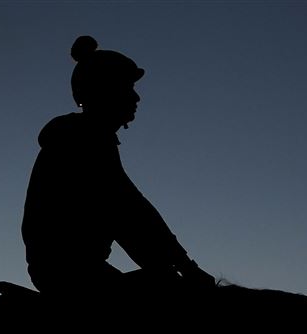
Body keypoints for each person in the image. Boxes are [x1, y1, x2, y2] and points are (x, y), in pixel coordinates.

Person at [21, 34, 214, 297]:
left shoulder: (83, 136)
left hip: (73, 269)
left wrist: (177, 264)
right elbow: (128, 210)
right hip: (72, 273)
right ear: (104, 90)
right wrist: (184, 266)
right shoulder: (84, 138)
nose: (136, 98)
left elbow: (128, 211)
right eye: (127, 87)